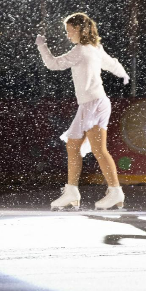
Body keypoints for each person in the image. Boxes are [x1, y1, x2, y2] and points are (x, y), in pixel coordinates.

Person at [36, 12, 130, 211]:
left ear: (80, 30)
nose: (68, 35)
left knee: (86, 147)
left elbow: (52, 64)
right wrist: (123, 74)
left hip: (92, 104)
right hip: (99, 102)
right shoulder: (95, 48)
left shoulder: (80, 51)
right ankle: (86, 191)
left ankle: (101, 191)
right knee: (83, 147)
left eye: (70, 31)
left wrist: (42, 46)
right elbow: (111, 63)